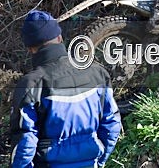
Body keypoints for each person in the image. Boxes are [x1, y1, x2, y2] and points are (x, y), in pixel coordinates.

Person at [10, 10, 121, 168]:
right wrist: (99, 161)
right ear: (60, 38)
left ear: (31, 49)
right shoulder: (97, 73)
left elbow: (25, 142)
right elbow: (112, 124)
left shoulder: (30, 85)